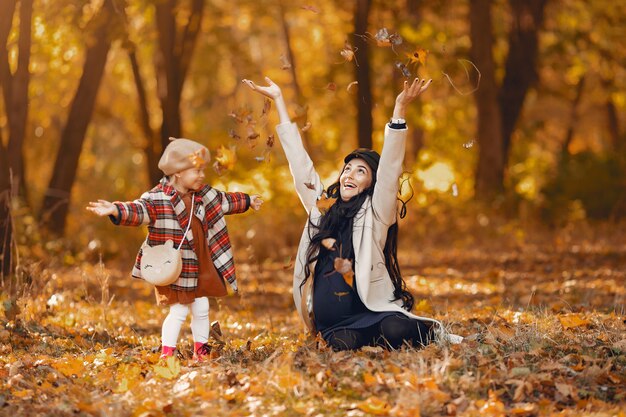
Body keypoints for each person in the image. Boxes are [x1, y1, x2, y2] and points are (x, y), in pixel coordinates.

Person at [243, 76, 461, 350]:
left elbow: (390, 171)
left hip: (372, 310)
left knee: (395, 328)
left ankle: (426, 334)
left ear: (371, 183)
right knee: (341, 345)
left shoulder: (377, 212)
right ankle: (366, 339)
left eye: (361, 171)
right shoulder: (322, 208)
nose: (350, 174)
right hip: (335, 324)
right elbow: (300, 165)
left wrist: (399, 111)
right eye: (348, 169)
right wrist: (279, 101)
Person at [87, 137, 263, 359]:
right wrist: (115, 209)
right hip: (176, 268)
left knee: (202, 309)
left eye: (203, 170)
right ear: (178, 172)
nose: (201, 175)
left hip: (201, 264)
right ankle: (167, 353)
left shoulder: (205, 195)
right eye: (196, 170)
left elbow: (226, 200)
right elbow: (139, 211)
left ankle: (201, 350)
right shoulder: (157, 198)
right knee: (178, 311)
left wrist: (248, 201)